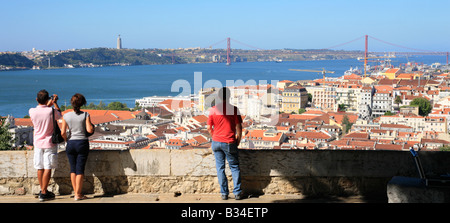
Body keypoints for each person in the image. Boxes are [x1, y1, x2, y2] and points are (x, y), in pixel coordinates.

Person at [207, 87, 243, 200]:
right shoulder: (234, 109)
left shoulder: (212, 110)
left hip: (216, 142)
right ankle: (237, 192)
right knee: (234, 167)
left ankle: (224, 193)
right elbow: (239, 128)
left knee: (220, 168)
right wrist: (238, 140)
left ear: (218, 97)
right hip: (229, 141)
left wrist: (214, 137)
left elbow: (209, 128)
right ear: (229, 96)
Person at [29, 89, 61, 202]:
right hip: (49, 142)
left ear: (36, 99)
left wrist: (48, 103)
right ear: (48, 99)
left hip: (37, 142)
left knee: (39, 167)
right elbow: (59, 115)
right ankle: (44, 191)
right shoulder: (51, 111)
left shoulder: (31, 111)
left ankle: (42, 190)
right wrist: (55, 102)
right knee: (48, 167)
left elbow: (42, 110)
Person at [60, 93, 94, 201]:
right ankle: (78, 195)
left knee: (73, 169)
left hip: (70, 143)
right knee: (80, 169)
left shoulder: (66, 115)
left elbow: (62, 132)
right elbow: (89, 130)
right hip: (82, 143)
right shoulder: (85, 115)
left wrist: (66, 140)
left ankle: (76, 193)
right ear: (82, 103)